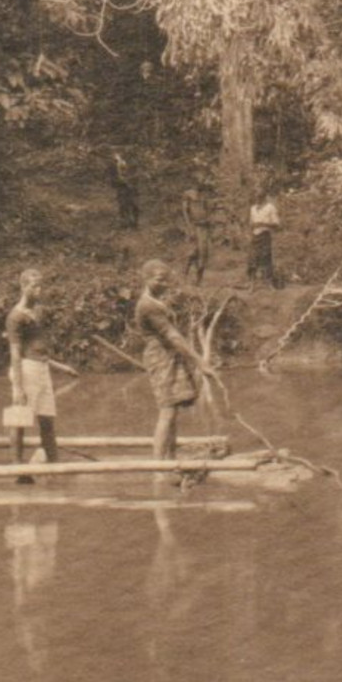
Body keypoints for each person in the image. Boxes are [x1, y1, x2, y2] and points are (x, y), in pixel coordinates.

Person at [6, 268, 78, 465]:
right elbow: (15, 354)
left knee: (47, 420)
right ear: (23, 287)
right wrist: (19, 388)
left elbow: (40, 351)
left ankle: (54, 465)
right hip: (25, 370)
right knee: (19, 419)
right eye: (33, 286)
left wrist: (60, 367)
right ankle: (17, 467)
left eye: (40, 286)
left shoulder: (38, 311)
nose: (38, 290)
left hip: (42, 369)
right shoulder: (15, 317)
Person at [135, 260, 205, 461]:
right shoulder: (147, 305)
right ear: (146, 279)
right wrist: (200, 362)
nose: (164, 283)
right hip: (160, 358)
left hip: (170, 357)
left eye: (166, 280)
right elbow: (171, 335)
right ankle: (158, 466)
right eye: (159, 279)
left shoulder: (157, 301)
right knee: (166, 410)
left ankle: (171, 458)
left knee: (173, 411)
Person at [248, 184, 281, 287]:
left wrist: (263, 224)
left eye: (259, 195)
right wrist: (251, 229)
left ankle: (269, 284)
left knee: (266, 259)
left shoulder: (270, 207)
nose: (257, 197)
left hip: (265, 235)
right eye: (256, 195)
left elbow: (277, 224)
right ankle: (252, 284)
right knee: (252, 259)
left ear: (264, 196)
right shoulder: (253, 208)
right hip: (254, 236)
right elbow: (251, 223)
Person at [180, 187, 212, 286]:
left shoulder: (204, 196)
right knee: (192, 252)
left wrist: (207, 221)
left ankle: (199, 280)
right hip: (194, 227)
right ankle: (184, 276)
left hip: (204, 228)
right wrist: (190, 228)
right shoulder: (188, 194)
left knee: (203, 253)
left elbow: (207, 211)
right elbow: (185, 213)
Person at [107, 152, 140, 229]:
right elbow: (113, 179)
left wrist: (130, 182)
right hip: (122, 188)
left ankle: (134, 223)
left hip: (131, 188)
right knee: (123, 205)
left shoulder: (131, 164)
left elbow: (136, 175)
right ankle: (125, 223)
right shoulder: (113, 167)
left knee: (133, 205)